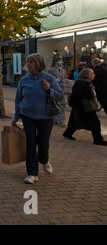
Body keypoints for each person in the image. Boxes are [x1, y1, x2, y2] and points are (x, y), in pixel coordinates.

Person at [12, 53, 64, 184]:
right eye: (28, 62)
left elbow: (60, 96)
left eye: (32, 62)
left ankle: (44, 160)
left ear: (39, 64)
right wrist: (16, 116)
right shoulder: (24, 80)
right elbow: (18, 99)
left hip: (45, 116)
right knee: (30, 144)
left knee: (43, 143)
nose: (28, 64)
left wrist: (48, 90)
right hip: (27, 116)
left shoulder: (49, 78)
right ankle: (32, 173)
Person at [63, 68, 107, 146]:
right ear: (87, 75)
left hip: (85, 106)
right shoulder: (80, 83)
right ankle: (98, 139)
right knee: (95, 122)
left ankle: (67, 133)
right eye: (92, 73)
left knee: (74, 121)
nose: (94, 75)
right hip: (84, 107)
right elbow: (75, 95)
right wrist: (71, 103)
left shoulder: (86, 83)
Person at [48, 56, 67, 126]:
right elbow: (49, 79)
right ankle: (55, 119)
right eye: (59, 60)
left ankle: (62, 121)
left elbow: (65, 78)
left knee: (63, 105)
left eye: (61, 60)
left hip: (63, 89)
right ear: (55, 62)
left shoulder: (64, 70)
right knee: (55, 105)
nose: (61, 62)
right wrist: (55, 80)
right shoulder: (51, 70)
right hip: (55, 90)